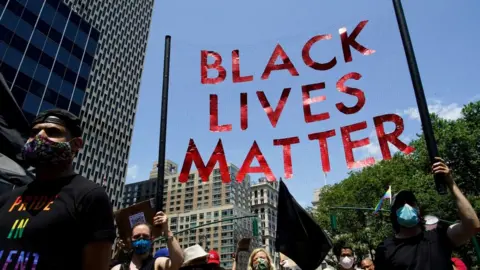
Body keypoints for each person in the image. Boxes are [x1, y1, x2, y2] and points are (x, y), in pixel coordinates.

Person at [0, 109, 115, 270]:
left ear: (76, 145)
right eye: (34, 132)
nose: (40, 136)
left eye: (52, 132)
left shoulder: (89, 196)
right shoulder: (7, 198)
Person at [374, 157, 480, 269]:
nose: (406, 206)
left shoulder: (439, 236)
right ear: (393, 214)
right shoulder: (385, 248)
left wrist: (450, 183)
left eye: (411, 202)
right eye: (400, 204)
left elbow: (473, 226)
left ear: (419, 210)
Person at [112, 211, 183, 270]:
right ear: (131, 240)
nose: (141, 239)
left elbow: (178, 263)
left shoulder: (157, 263)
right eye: (137, 236)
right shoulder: (118, 268)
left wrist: (166, 230)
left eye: (145, 236)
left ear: (151, 240)